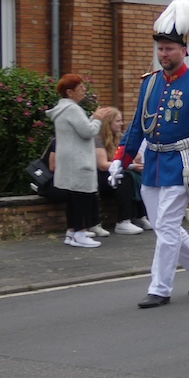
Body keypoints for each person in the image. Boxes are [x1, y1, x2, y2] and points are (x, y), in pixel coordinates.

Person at [108, 0, 189, 307]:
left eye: (169, 48)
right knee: (162, 225)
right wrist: (121, 159)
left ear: (183, 49)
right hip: (154, 163)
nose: (163, 54)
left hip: (183, 164)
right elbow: (137, 126)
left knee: (168, 226)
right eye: (160, 48)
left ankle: (160, 288)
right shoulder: (149, 83)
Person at [46, 75, 111, 248]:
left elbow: (79, 130)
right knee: (82, 197)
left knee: (73, 197)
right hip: (79, 159)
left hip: (69, 159)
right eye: (80, 88)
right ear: (70, 92)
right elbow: (88, 132)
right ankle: (80, 233)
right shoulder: (73, 109)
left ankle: (72, 232)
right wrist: (97, 119)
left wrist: (93, 118)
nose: (84, 91)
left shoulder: (63, 109)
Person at [96, 108, 151, 234]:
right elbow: (102, 165)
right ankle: (123, 221)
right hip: (102, 177)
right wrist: (130, 166)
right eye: (118, 121)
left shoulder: (120, 137)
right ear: (108, 123)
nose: (121, 124)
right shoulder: (98, 139)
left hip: (117, 173)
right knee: (125, 178)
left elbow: (133, 157)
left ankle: (140, 216)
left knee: (139, 176)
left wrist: (134, 158)